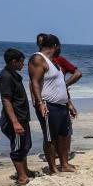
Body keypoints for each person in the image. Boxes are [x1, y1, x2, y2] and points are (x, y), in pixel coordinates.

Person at [28, 34, 74, 173]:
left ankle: (64, 164)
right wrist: (40, 102)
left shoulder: (54, 61)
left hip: (62, 105)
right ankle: (53, 168)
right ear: (55, 46)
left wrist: (69, 103)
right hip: (49, 105)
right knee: (50, 138)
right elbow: (34, 82)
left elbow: (59, 84)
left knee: (64, 136)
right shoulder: (38, 58)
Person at [0, 48, 32, 184]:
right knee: (18, 148)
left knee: (26, 145)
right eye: (21, 62)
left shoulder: (14, 75)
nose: (23, 65)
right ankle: (21, 176)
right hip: (14, 120)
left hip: (22, 118)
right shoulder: (5, 76)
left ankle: (25, 170)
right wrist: (15, 122)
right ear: (13, 61)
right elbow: (6, 100)